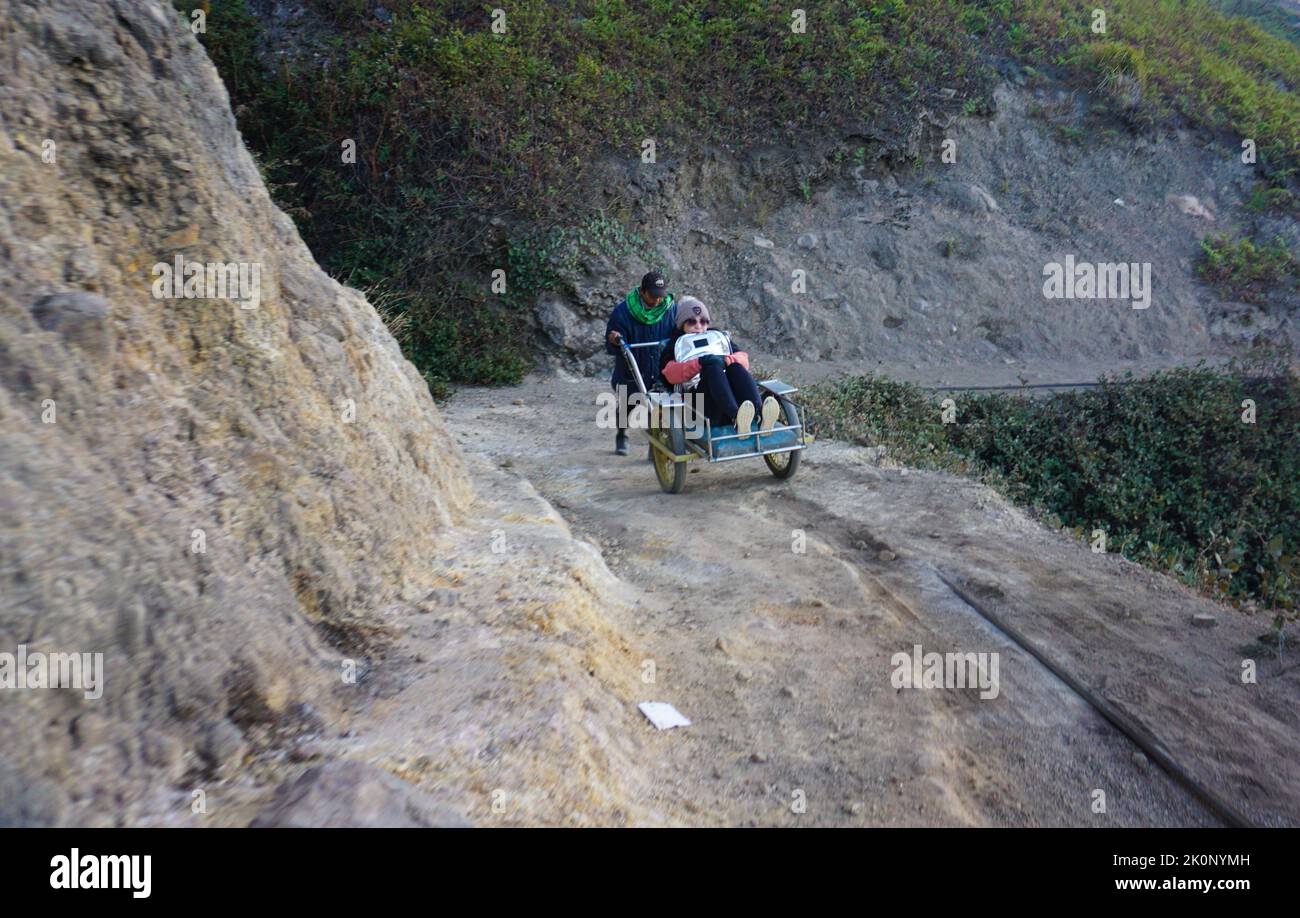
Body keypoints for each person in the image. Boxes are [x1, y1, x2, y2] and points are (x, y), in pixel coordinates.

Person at [659, 297, 779, 435]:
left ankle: (759, 414)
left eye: (703, 321)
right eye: (692, 322)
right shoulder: (675, 344)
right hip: (699, 404)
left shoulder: (717, 336)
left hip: (729, 393)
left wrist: (727, 359)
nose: (699, 326)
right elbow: (669, 375)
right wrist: (699, 363)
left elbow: (744, 359)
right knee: (712, 369)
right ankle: (736, 417)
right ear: (682, 324)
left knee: (736, 367)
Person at [604, 271, 677, 455]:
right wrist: (615, 339)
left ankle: (657, 447)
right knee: (628, 404)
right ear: (643, 292)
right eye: (653, 296)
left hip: (660, 368)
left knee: (659, 409)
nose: (658, 301)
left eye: (661, 296)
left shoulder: (670, 309)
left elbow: (678, 332)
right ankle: (622, 434)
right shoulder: (623, 312)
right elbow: (612, 344)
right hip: (633, 368)